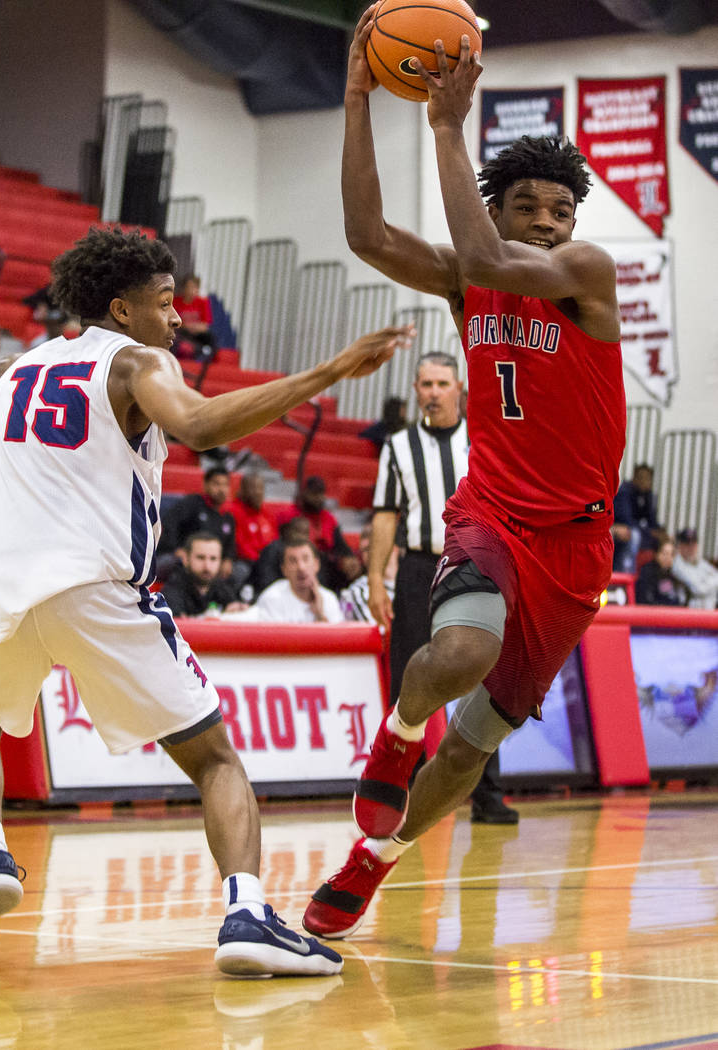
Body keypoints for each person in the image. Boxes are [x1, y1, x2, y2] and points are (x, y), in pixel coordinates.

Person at [0, 227, 411, 975]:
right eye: (164, 303)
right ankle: (248, 913)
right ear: (121, 310)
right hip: (92, 583)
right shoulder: (134, 362)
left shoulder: (16, 366)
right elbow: (201, 426)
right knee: (217, 759)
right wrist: (330, 369)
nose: (178, 317)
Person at [302, 14, 625, 941]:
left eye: (560, 210)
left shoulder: (585, 273)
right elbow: (365, 232)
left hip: (577, 544)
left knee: (476, 745)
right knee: (457, 657)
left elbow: (486, 257)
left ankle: (375, 860)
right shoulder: (469, 276)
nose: (547, 223)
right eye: (527, 205)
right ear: (499, 205)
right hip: (492, 512)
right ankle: (396, 731)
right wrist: (361, 99)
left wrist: (445, 125)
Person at [369, 352, 518, 825]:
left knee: (483, 683)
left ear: (460, 389)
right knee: (408, 682)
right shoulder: (397, 445)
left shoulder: (484, 441)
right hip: (416, 568)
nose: (433, 391)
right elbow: (385, 515)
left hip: (474, 567)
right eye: (426, 383)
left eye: (442, 383)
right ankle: (405, 791)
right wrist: (375, 576)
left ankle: (486, 795)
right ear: (416, 390)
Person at [278, 475, 360, 590]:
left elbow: (342, 548)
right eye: (314, 493)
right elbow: (280, 546)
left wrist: (349, 559)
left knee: (352, 566)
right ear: (304, 493)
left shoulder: (328, 518)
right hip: (299, 561)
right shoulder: (289, 515)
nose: (318, 498)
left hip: (327, 565)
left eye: (321, 493)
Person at [157, 465, 237, 579]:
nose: (222, 489)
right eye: (217, 484)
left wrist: (228, 559)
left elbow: (230, 546)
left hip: (210, 563)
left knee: (238, 571)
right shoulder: (191, 504)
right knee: (179, 564)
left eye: (225, 485)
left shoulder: (228, 518)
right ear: (205, 484)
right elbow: (169, 525)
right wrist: (176, 550)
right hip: (177, 558)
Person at [254, 537, 343, 623]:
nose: (301, 567)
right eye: (293, 561)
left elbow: (334, 637)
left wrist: (319, 614)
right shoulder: (272, 598)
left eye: (305, 559)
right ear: (284, 569)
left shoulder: (329, 599)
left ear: (316, 564)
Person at [160, 532, 246, 618]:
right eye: (200, 558)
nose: (207, 566)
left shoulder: (222, 587)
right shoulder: (173, 589)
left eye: (213, 559)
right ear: (186, 559)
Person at [227, 472, 278, 593]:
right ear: (242, 490)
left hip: (266, 563)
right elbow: (239, 545)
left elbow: (275, 543)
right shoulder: (233, 512)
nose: (257, 492)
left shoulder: (268, 515)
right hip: (245, 562)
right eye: (253, 487)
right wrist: (261, 561)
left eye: (260, 488)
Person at [612, 463, 664, 574]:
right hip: (619, 530)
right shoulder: (625, 492)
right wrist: (649, 531)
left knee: (663, 539)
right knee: (634, 535)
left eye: (648, 479)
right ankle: (625, 574)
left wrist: (660, 532)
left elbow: (652, 521)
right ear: (634, 478)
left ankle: (656, 578)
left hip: (640, 531)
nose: (644, 482)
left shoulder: (647, 496)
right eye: (641, 478)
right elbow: (626, 520)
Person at [172, 273, 217, 361]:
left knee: (210, 338)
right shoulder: (175, 301)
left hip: (196, 334)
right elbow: (173, 323)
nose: (191, 290)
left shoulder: (203, 302)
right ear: (183, 288)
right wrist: (186, 326)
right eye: (189, 287)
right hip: (182, 332)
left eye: (194, 287)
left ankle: (205, 359)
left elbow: (205, 326)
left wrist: (192, 327)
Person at [672, 527, 718, 611]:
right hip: (689, 613)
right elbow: (699, 589)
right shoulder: (677, 564)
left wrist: (705, 582)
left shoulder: (699, 561)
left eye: (693, 543)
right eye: (687, 544)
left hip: (709, 611)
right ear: (680, 546)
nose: (691, 547)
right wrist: (710, 580)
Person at [635, 536, 688, 607]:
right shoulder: (647, 573)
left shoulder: (674, 575)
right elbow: (645, 600)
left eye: (671, 555)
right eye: (664, 553)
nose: (668, 558)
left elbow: (681, 599)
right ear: (656, 554)